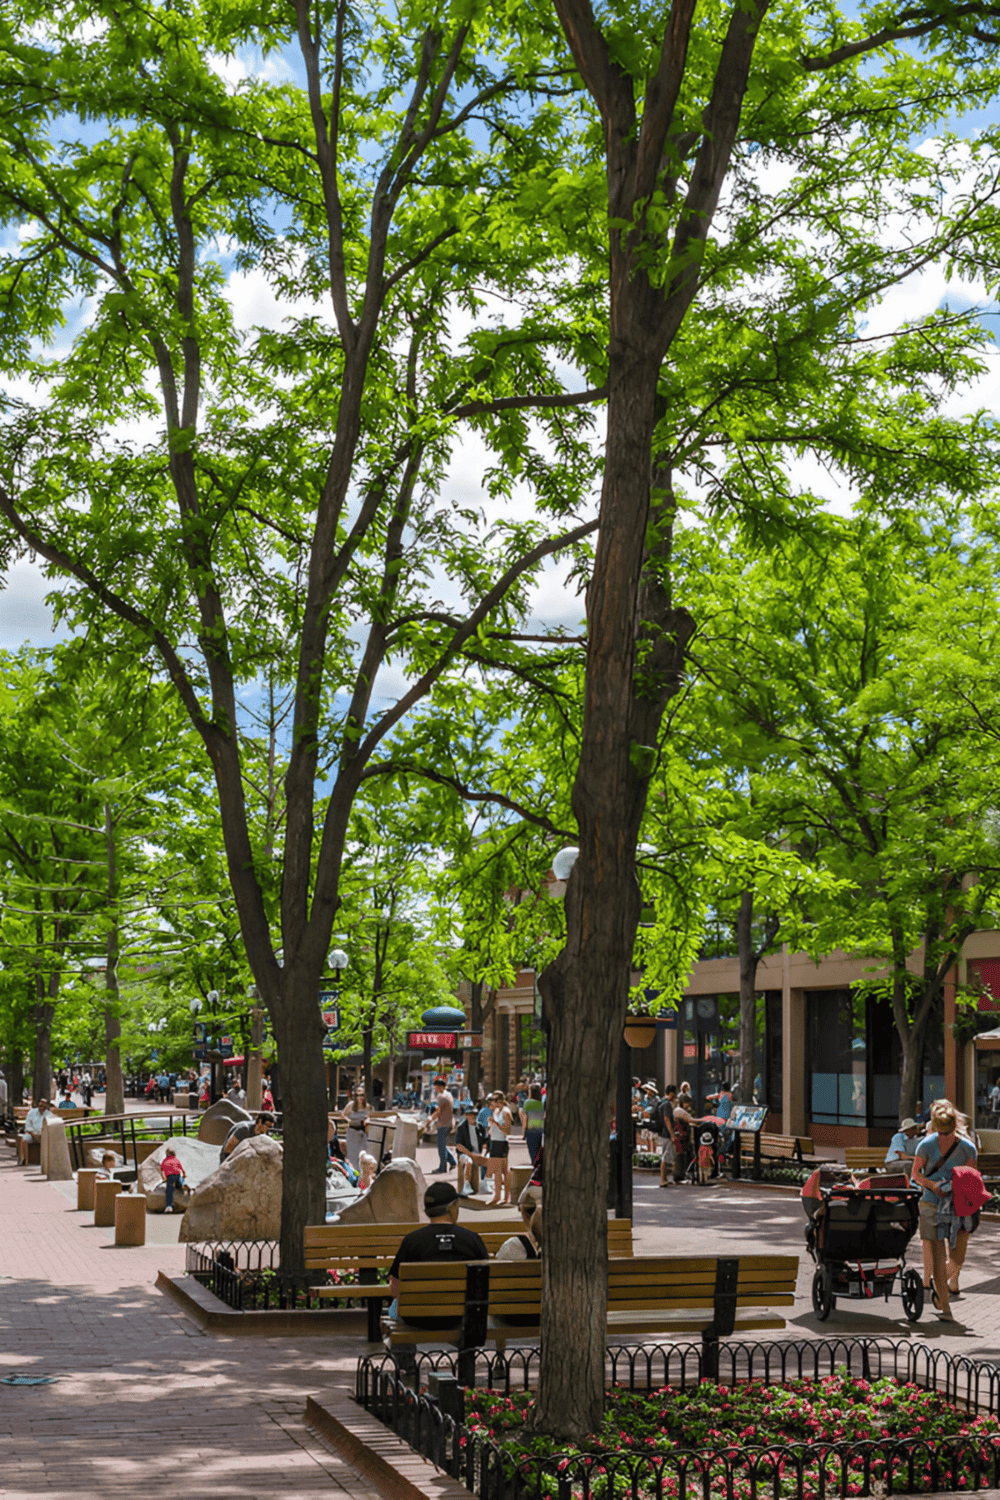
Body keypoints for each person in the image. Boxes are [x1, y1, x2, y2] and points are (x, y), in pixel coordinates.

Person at [386, 1182, 489, 1328]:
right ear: (452, 1208)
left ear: (427, 1211)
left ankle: (403, 1351)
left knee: (395, 1311)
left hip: (416, 1318)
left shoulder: (412, 1240)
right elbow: (486, 1279)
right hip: (460, 1317)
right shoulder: (471, 1239)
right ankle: (467, 1351)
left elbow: (394, 1284)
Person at [911, 1100, 978, 1321]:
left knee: (950, 1258)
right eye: (942, 1132)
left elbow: (916, 1174)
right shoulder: (934, 1145)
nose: (944, 1137)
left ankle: (942, 1297)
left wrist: (941, 1186)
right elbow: (916, 1174)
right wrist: (936, 1186)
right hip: (942, 1205)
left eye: (946, 1132)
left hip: (945, 1205)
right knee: (947, 1257)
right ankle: (945, 1306)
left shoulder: (963, 1147)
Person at [454, 1102, 486, 1195]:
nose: (473, 1117)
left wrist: (483, 1154)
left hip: (478, 1153)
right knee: (469, 1162)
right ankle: (466, 1185)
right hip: (465, 1153)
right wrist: (471, 1154)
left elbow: (485, 1142)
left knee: (492, 1161)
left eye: (475, 1115)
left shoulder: (480, 1127)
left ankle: (485, 1183)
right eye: (471, 1115)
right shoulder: (461, 1128)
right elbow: (459, 1146)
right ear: (467, 1116)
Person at [487, 1090, 512, 1206]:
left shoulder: (506, 1112)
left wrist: (496, 1124)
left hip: (501, 1142)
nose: (492, 1102)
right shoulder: (496, 1111)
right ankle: (497, 1196)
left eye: (494, 1100)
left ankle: (504, 1197)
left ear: (500, 1101)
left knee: (503, 1171)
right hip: (494, 1141)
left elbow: (507, 1130)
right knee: (497, 1171)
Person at [426, 1076, 457, 1173]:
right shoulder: (449, 1095)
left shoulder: (441, 1096)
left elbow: (438, 1110)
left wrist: (431, 1118)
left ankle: (442, 1168)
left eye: (437, 1087)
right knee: (442, 1145)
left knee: (441, 1147)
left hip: (443, 1124)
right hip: (448, 1123)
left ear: (441, 1087)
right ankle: (453, 1162)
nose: (436, 1089)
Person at [651, 1084, 677, 1188]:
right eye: (674, 1093)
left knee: (664, 1156)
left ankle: (665, 1179)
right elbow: (667, 1119)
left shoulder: (660, 1102)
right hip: (666, 1134)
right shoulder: (666, 1104)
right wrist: (672, 1134)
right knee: (665, 1157)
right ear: (671, 1093)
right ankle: (662, 1180)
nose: (674, 1096)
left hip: (660, 1132)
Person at [521, 1084, 545, 1166]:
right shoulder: (541, 1103)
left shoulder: (527, 1102)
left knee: (533, 1154)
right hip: (540, 1130)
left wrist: (523, 1133)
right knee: (539, 1154)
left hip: (531, 1130)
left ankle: (535, 1172)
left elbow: (525, 1118)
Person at [159, 1146, 186, 1211]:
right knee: (180, 1180)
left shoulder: (165, 1160)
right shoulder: (176, 1160)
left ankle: (169, 1206)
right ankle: (183, 1184)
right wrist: (184, 1174)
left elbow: (162, 1170)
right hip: (177, 1174)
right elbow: (182, 1169)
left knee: (169, 1190)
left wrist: (164, 1177)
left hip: (170, 1176)